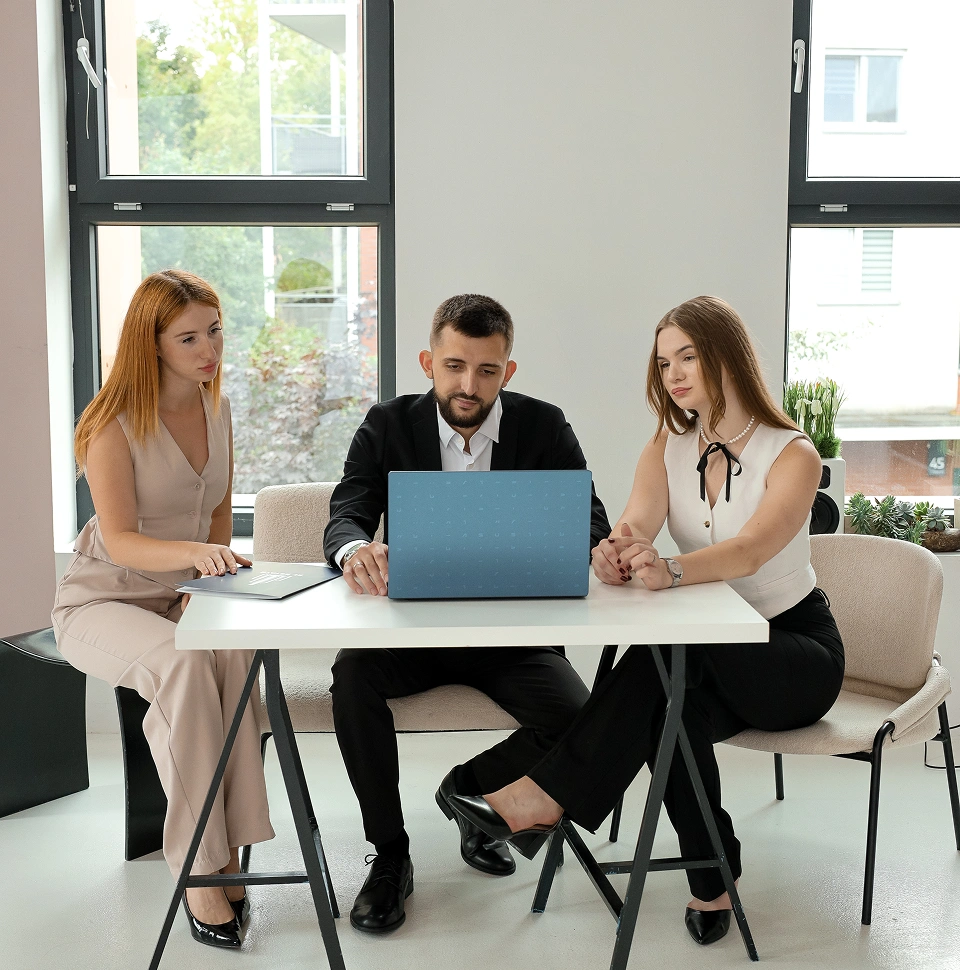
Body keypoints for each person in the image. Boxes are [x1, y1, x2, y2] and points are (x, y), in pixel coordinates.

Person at [449, 295, 845, 947]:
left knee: (672, 653)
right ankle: (713, 875)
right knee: (670, 709)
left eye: (688, 357)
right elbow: (636, 521)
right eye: (664, 363)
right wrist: (616, 552)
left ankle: (543, 796)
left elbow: (750, 550)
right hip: (708, 657)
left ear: (727, 357)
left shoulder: (792, 452)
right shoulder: (669, 445)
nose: (674, 374)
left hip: (793, 653)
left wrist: (673, 570)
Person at [322, 293, 612, 932]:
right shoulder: (387, 424)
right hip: (411, 632)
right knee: (351, 679)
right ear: (428, 363)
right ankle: (390, 856)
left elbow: (590, 518)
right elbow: (346, 512)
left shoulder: (544, 425)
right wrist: (353, 549)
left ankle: (474, 797)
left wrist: (602, 548)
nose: (468, 385)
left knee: (582, 719)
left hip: (516, 636)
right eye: (454, 366)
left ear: (509, 370)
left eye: (487, 370)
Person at [52, 270, 274, 950]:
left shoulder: (217, 408)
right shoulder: (110, 424)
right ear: (150, 343)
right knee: (183, 669)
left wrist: (213, 574)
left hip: (184, 595)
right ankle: (198, 868)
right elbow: (119, 539)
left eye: (214, 331)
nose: (209, 349)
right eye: (188, 338)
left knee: (236, 660)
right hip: (103, 598)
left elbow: (217, 514)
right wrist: (197, 557)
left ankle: (231, 851)